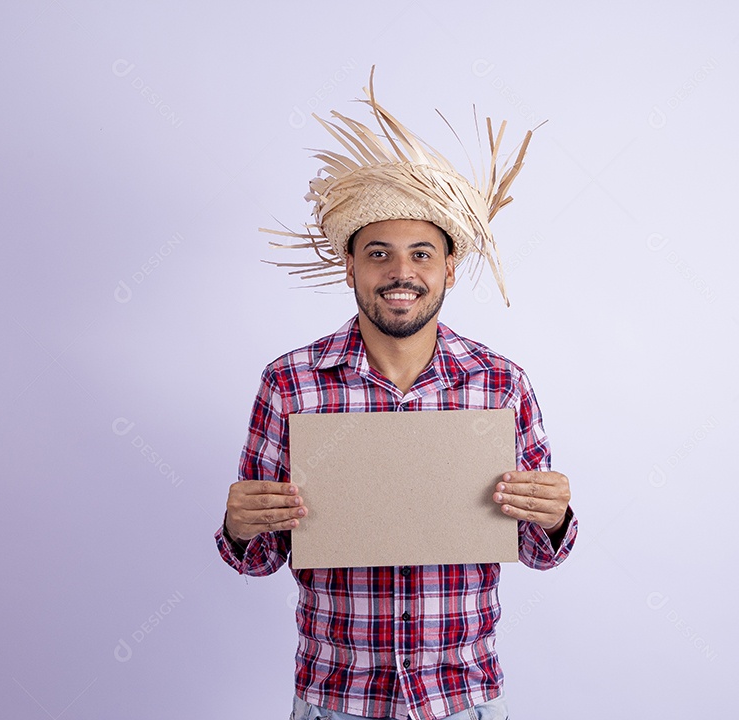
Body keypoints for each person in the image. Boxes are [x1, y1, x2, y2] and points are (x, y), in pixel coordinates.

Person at [216, 70, 578, 720]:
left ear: (448, 269)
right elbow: (258, 558)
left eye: (421, 254)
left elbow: (536, 550)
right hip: (336, 699)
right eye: (379, 253)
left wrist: (552, 516)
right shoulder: (292, 382)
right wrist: (240, 530)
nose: (401, 272)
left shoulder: (500, 383)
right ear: (350, 265)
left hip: (460, 699)